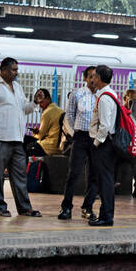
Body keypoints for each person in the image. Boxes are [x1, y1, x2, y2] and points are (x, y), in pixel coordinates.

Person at [0, 56, 41, 218]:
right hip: (0, 139)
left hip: (17, 139)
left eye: (17, 69)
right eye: (13, 69)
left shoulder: (18, 87)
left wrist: (35, 102)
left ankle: (24, 207)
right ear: (3, 70)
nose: (16, 73)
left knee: (20, 174)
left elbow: (24, 109)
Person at [83, 64, 123, 227]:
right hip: (106, 144)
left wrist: (96, 142)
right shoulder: (109, 94)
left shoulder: (105, 97)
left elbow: (105, 125)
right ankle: (105, 215)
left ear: (98, 78)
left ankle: (106, 216)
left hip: (104, 145)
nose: (92, 79)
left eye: (94, 76)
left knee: (105, 181)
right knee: (104, 180)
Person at [58, 66, 100, 220]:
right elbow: (69, 115)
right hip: (80, 137)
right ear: (85, 78)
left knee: (94, 174)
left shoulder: (102, 96)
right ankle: (66, 207)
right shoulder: (77, 94)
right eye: (91, 76)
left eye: (96, 77)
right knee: (74, 173)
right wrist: (74, 132)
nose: (93, 79)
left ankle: (87, 207)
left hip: (96, 139)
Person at [33, 87, 65, 155]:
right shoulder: (60, 110)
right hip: (59, 147)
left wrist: (35, 133)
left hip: (48, 147)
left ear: (48, 99)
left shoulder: (47, 113)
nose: (40, 105)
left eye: (41, 102)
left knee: (29, 146)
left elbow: (40, 136)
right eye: (39, 103)